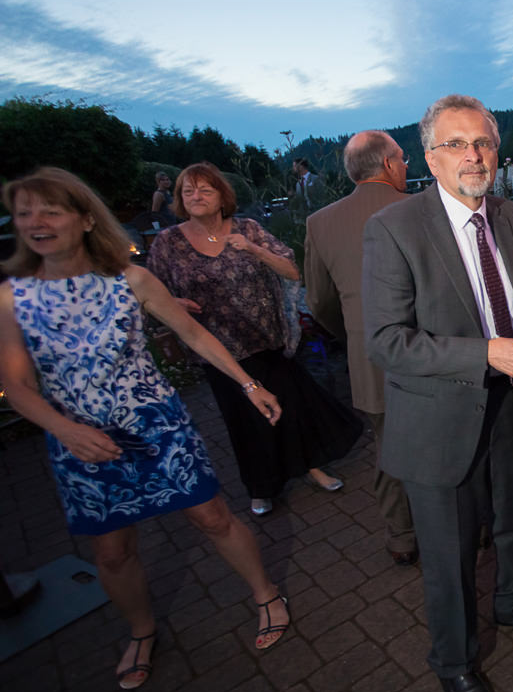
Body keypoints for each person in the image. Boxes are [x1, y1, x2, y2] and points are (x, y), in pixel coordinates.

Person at [0, 168, 291, 690]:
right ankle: (141, 629)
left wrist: (250, 386)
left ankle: (266, 593)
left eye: (50, 210)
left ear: (86, 219)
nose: (35, 223)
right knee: (111, 550)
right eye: (24, 213)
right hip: (79, 441)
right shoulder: (11, 298)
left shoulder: (129, 280)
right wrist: (63, 430)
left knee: (212, 517)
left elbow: (195, 335)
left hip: (156, 423)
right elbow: (16, 385)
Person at [362, 94, 513, 692]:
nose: (473, 155)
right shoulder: (394, 228)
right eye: (456, 144)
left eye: (483, 143)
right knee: (450, 552)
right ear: (429, 158)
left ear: (497, 152)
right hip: (437, 419)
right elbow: (386, 342)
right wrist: (485, 355)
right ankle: (456, 662)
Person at [148, 162, 362, 516]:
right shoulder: (169, 243)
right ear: (180, 200)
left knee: (290, 408)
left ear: (222, 196)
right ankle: (261, 486)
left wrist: (252, 249)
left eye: (205, 190)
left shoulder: (247, 229)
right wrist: (170, 303)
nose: (196, 196)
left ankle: (309, 466)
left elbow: (292, 270)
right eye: (188, 191)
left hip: (267, 337)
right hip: (216, 349)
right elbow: (152, 290)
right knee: (243, 420)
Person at [304, 130, 418, 565]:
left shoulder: (320, 223)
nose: (406, 167)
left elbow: (319, 302)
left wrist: (355, 334)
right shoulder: (419, 209)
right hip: (431, 352)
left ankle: (402, 535)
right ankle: (469, 525)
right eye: (403, 159)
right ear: (389, 165)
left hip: (369, 358)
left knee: (389, 449)